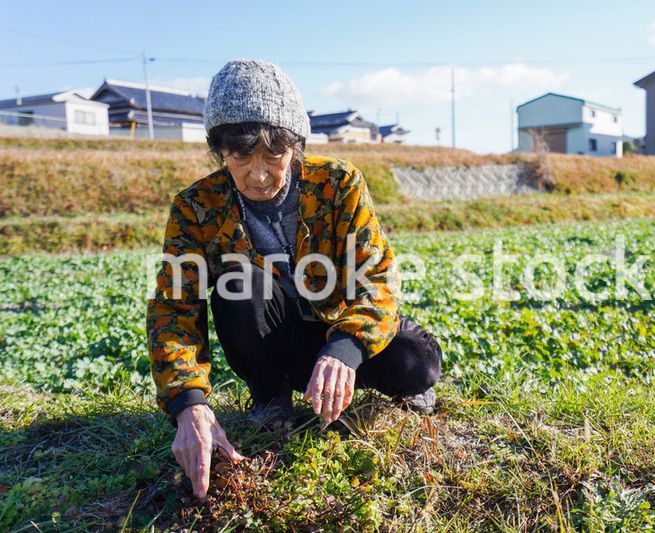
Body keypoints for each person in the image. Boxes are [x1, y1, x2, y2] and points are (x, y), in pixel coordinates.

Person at [146, 59, 443, 500]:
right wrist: (187, 403)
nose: (259, 173)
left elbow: (377, 276)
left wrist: (344, 348)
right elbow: (174, 308)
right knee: (241, 283)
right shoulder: (196, 206)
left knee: (415, 364)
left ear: (296, 146)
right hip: (275, 342)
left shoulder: (338, 183)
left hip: (338, 333)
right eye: (241, 155)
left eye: (274, 155)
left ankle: (364, 375)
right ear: (220, 150)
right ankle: (270, 397)